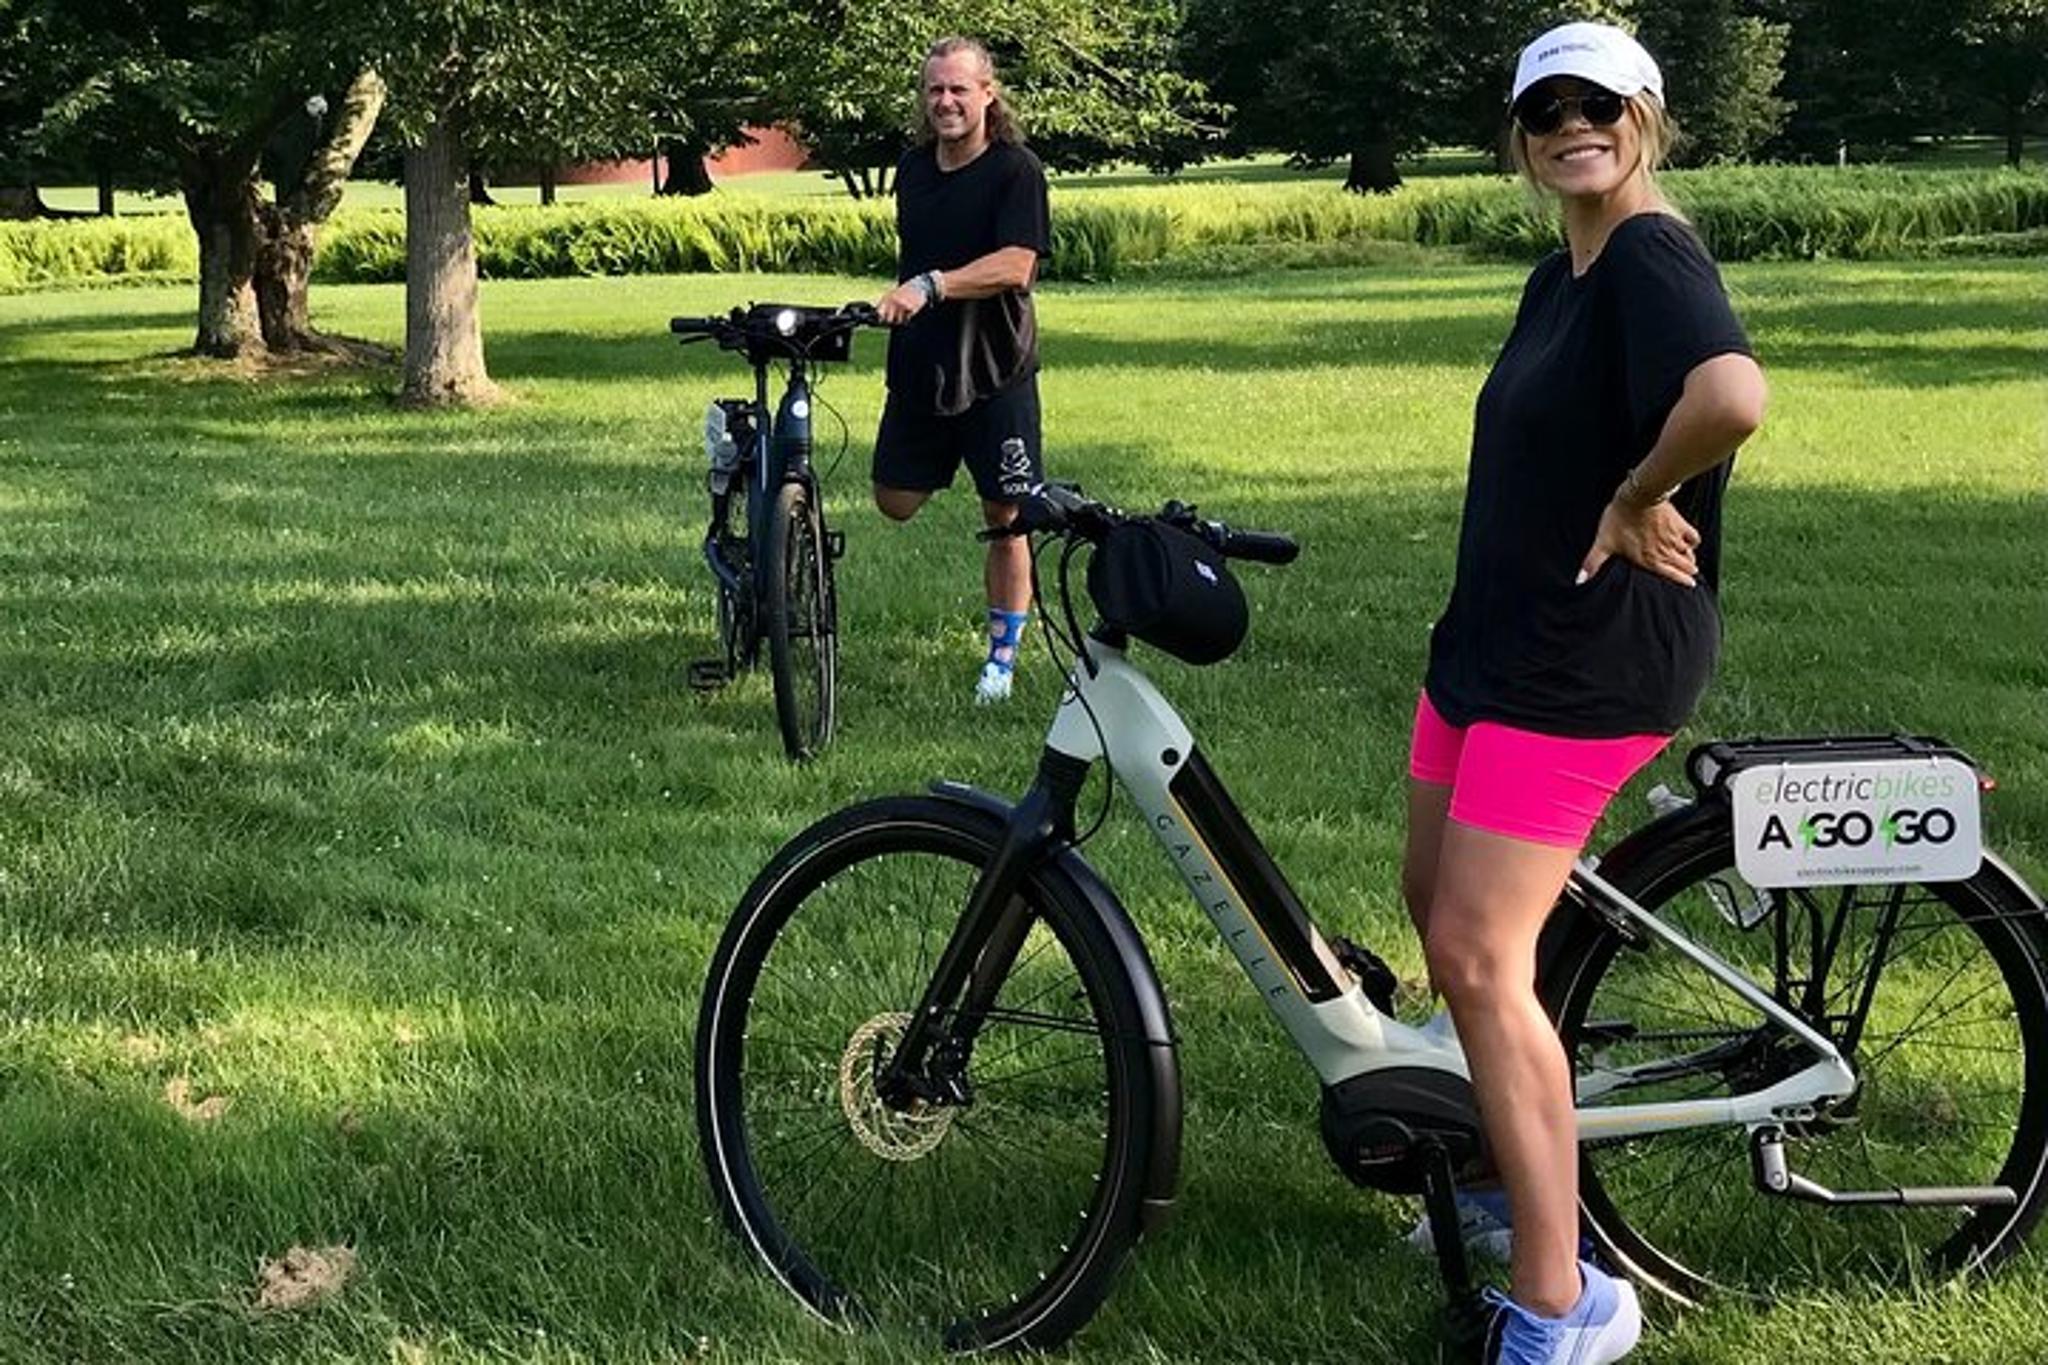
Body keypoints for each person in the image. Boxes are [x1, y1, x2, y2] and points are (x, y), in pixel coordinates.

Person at [1401, 21, 1768, 1365]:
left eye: (1598, 104)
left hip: (1589, 655)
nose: (1573, 126)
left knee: (1483, 955)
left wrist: (1637, 493)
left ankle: (1565, 1304)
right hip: (1494, 642)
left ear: (1648, 115)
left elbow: (1732, 393)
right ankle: (1513, 1167)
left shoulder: (1651, 256)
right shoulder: (1566, 268)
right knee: (1443, 921)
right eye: (1547, 108)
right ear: (1520, 134)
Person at [872, 36, 1052, 705]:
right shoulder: (914, 169)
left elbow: (1017, 265)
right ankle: (947, 460)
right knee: (893, 501)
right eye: (934, 90)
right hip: (922, 366)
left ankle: (1001, 660)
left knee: (1006, 514)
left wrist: (932, 285)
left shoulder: (1016, 170)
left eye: (958, 89)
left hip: (997, 368)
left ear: (987, 93)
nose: (945, 102)